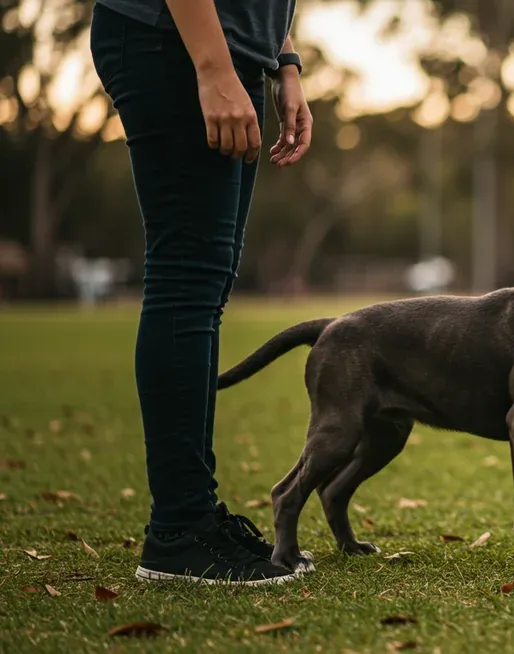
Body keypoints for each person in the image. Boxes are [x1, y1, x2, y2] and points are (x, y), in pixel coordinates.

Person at [90, 0, 313, 584]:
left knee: (205, 288)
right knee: (186, 281)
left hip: (229, 51)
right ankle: (179, 527)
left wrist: (284, 61)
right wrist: (213, 68)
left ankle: (194, 516)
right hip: (174, 41)